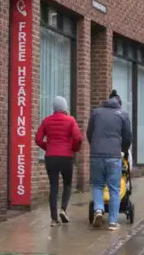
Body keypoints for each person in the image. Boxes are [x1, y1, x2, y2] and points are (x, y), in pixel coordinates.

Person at [86, 90, 133, 229]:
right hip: (114, 156)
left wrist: (95, 147)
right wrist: (123, 150)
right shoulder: (123, 115)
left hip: (96, 155)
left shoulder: (96, 112)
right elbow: (127, 137)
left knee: (98, 185)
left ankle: (99, 209)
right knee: (114, 188)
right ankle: (113, 221)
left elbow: (89, 133)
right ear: (119, 103)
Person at [35, 96, 83, 225]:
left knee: (53, 187)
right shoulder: (71, 120)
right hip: (66, 157)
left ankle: (54, 219)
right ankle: (63, 209)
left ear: (54, 108)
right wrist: (73, 148)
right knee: (67, 184)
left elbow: (38, 139)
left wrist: (49, 147)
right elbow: (78, 138)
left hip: (51, 157)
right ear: (65, 107)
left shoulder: (46, 121)